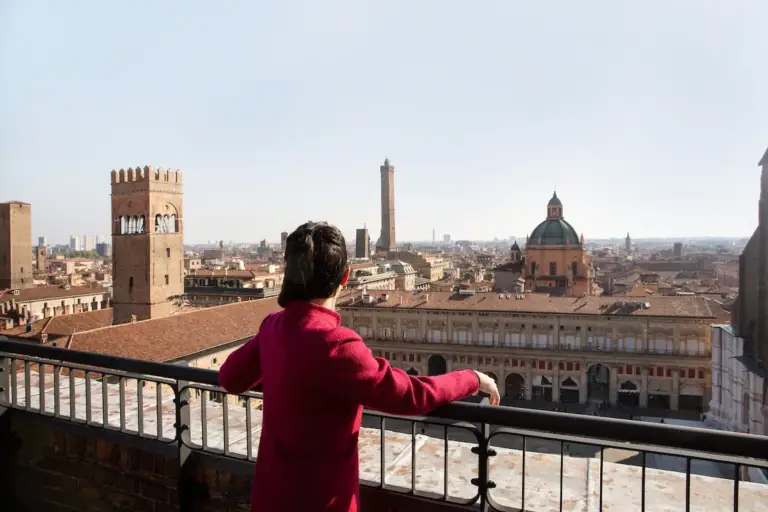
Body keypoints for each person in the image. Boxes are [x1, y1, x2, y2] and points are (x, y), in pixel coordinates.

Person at [219, 222, 499, 511]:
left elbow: (230, 378)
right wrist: (472, 378)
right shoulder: (335, 342)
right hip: (322, 502)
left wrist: (281, 371)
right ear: (345, 277)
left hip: (270, 497)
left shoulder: (272, 327)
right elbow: (409, 395)